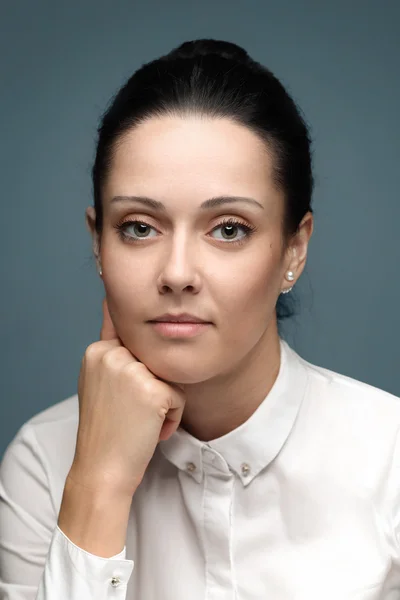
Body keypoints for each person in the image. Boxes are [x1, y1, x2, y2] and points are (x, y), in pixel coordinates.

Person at [0, 37, 399, 600]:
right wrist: (97, 485)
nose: (178, 273)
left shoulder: (390, 460)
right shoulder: (44, 460)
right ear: (98, 243)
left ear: (294, 248)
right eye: (140, 226)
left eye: (229, 228)